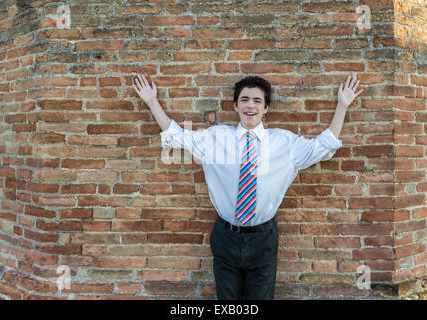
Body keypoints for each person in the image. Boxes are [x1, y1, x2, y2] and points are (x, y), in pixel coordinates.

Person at [132, 74, 363, 300]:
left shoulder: (285, 143)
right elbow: (176, 136)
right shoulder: (215, 138)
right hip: (226, 236)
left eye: (257, 101)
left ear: (266, 108)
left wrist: (342, 106)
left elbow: (323, 146)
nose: (250, 106)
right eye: (244, 100)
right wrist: (152, 101)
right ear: (235, 106)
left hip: (263, 238)